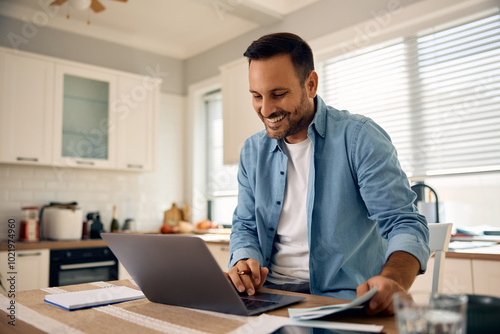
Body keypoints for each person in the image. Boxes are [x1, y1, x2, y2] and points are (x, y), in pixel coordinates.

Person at [226, 32, 430, 315]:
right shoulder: (251, 151)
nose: (266, 109)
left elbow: (404, 222)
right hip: (268, 298)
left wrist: (393, 280)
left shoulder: (359, 138)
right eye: (257, 96)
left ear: (310, 84)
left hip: (342, 301)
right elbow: (245, 226)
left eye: (278, 94)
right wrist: (244, 260)